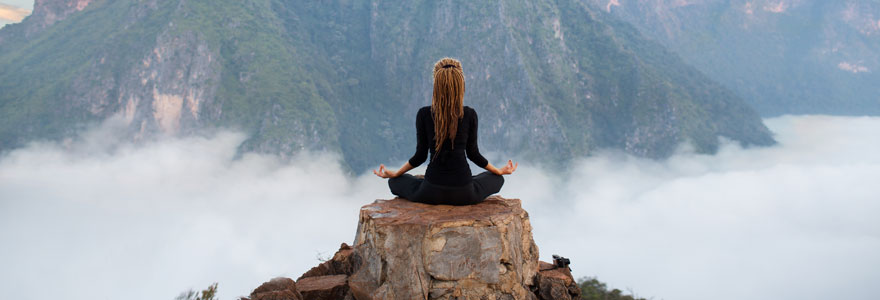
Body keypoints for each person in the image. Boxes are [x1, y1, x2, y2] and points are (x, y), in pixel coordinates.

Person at [372, 57, 518, 205]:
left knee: (395, 182)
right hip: (465, 193)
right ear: (461, 85)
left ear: (436, 85)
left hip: (430, 192)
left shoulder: (424, 114)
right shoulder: (469, 114)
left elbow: (420, 156)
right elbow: (473, 154)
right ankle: (473, 181)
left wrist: (396, 173)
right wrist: (499, 171)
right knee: (497, 179)